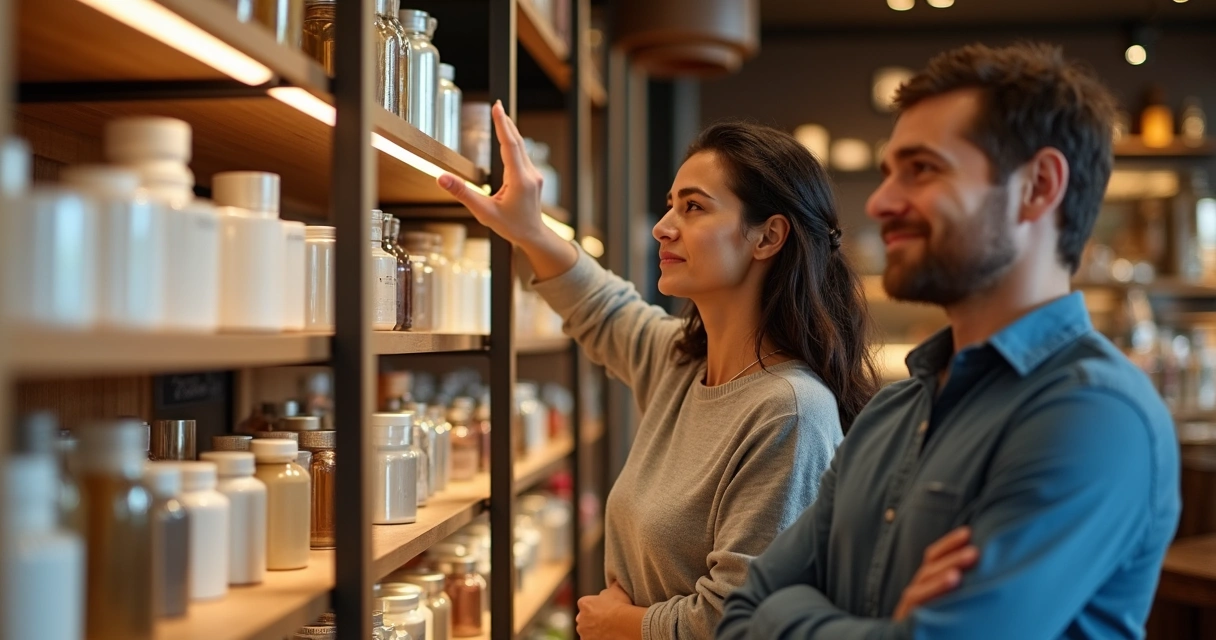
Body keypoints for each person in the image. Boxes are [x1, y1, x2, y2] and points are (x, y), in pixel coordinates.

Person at [717, 42, 1181, 640]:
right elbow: (736, 616)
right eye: (887, 173)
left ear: (1038, 186)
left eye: (922, 169)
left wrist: (792, 615)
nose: (882, 202)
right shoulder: (891, 412)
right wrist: (887, 627)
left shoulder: (1093, 414)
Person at [438, 104, 879, 639]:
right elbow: (604, 309)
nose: (663, 227)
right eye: (671, 205)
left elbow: (747, 620)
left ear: (768, 237)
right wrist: (531, 230)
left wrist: (621, 624)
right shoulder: (682, 364)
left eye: (693, 207)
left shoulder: (788, 411)